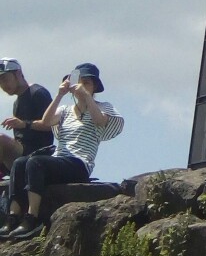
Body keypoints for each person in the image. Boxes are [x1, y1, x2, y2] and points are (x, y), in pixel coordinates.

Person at [0, 64, 124, 241]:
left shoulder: (102, 107)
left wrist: (86, 97)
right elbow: (46, 121)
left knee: (36, 163)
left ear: (94, 86)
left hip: (79, 163)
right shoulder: (66, 110)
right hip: (60, 160)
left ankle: (32, 218)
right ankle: (13, 217)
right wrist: (60, 94)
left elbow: (100, 121)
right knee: (21, 163)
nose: (80, 86)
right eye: (77, 81)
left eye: (86, 82)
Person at [0, 59, 54, 175]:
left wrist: (24, 124)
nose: (3, 85)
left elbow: (52, 125)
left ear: (18, 74)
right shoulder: (17, 102)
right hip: (21, 153)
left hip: (38, 153)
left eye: (4, 79)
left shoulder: (38, 93)